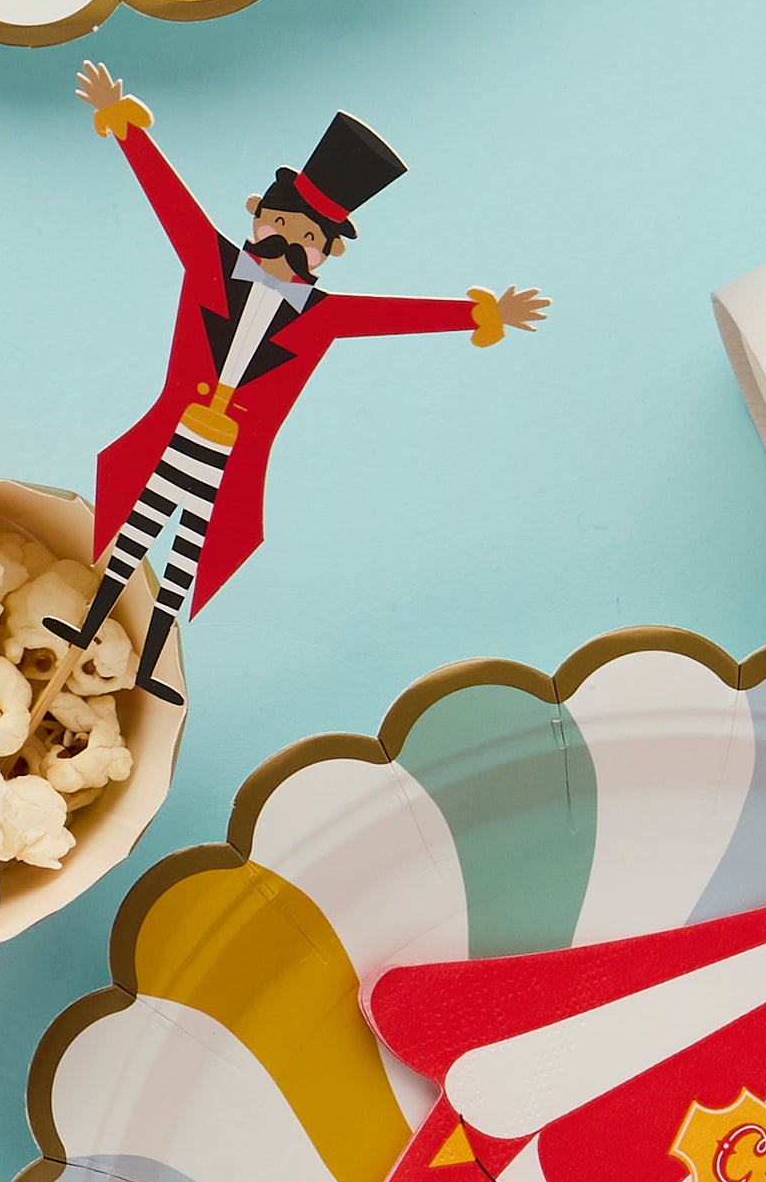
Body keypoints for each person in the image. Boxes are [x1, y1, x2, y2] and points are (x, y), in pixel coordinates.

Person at [46, 62, 547, 705]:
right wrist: (123, 125)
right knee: (135, 530)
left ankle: (149, 664)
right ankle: (87, 629)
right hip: (170, 433)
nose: (289, 242)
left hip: (230, 458)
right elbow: (170, 201)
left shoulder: (324, 316)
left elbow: (394, 316)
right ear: (258, 214)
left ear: (327, 251)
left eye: (308, 238)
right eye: (282, 226)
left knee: (186, 555)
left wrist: (480, 314)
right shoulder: (211, 262)